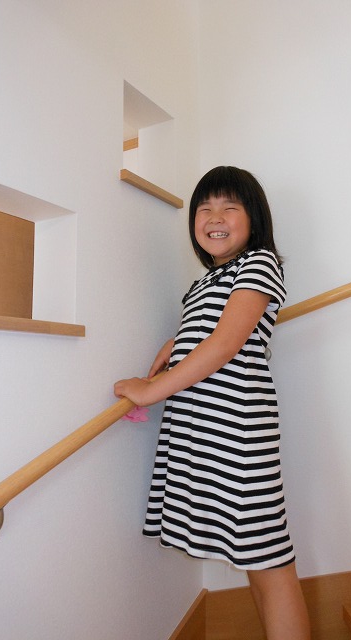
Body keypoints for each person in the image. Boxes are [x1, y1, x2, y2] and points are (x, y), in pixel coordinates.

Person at [114, 166, 310, 640]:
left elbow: (225, 344)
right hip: (203, 429)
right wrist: (174, 343)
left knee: (270, 561)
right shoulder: (205, 282)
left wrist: (150, 390)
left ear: (254, 218)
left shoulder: (259, 263)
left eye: (229, 207)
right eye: (205, 208)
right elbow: (208, 331)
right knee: (255, 560)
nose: (215, 217)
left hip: (237, 430)